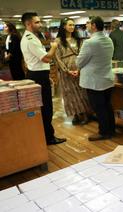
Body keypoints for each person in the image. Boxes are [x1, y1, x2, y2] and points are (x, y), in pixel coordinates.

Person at [20, 12, 66, 145]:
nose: (40, 24)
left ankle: (45, 135)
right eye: (37, 22)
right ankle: (49, 137)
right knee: (46, 108)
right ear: (28, 24)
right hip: (38, 76)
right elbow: (46, 58)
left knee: (44, 107)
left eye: (40, 22)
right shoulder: (30, 39)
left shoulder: (31, 37)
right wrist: (53, 47)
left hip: (38, 75)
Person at [76, 16, 115, 141]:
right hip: (107, 78)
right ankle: (111, 130)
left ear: (93, 25)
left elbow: (79, 62)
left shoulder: (89, 43)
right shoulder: (108, 40)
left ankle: (103, 132)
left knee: (99, 107)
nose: (86, 26)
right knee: (107, 105)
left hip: (94, 81)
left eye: (87, 23)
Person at [54, 18, 91, 125]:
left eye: (73, 25)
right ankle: (75, 114)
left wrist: (79, 69)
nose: (72, 27)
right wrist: (66, 71)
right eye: (70, 25)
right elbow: (57, 58)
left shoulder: (78, 40)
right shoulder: (58, 41)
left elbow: (83, 55)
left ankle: (84, 113)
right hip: (66, 71)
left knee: (81, 91)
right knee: (69, 93)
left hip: (79, 68)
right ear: (64, 26)